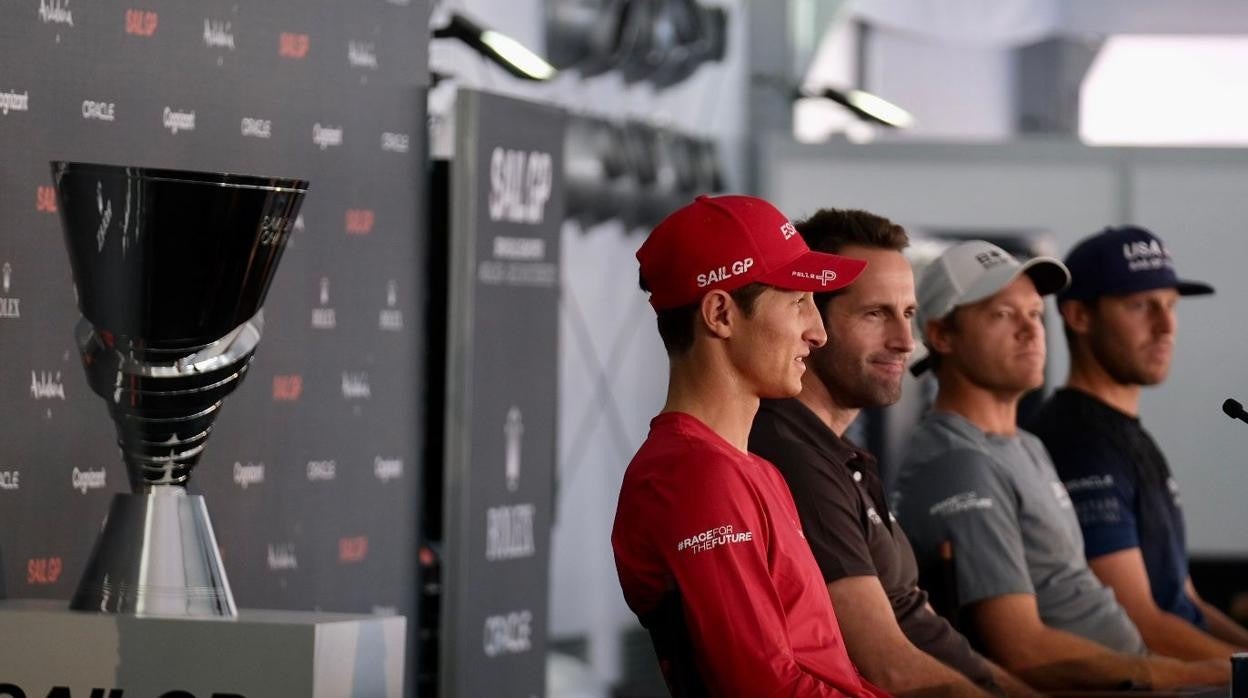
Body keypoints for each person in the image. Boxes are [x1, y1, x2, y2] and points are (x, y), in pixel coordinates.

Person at [891, 240, 1229, 691]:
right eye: (1001, 315)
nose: (1031, 332)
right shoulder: (959, 463)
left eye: (1034, 314)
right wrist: (1200, 675)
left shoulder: (1026, 445)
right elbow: (1022, 648)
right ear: (942, 336)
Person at [748, 209, 1039, 697]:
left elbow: (918, 627)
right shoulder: (794, 459)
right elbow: (889, 669)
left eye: (907, 314)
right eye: (875, 313)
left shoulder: (843, 457)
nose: (906, 342)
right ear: (810, 319)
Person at [611, 194, 887, 697]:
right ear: (720, 313)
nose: (818, 332)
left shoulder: (753, 471)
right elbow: (762, 685)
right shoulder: (694, 476)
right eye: (798, 301)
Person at [1028, 225, 1248, 660]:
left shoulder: (1127, 433)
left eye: (1171, 305)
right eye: (1140, 305)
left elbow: (1187, 604)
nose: (1166, 326)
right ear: (1079, 316)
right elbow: (1139, 624)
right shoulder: (1079, 441)